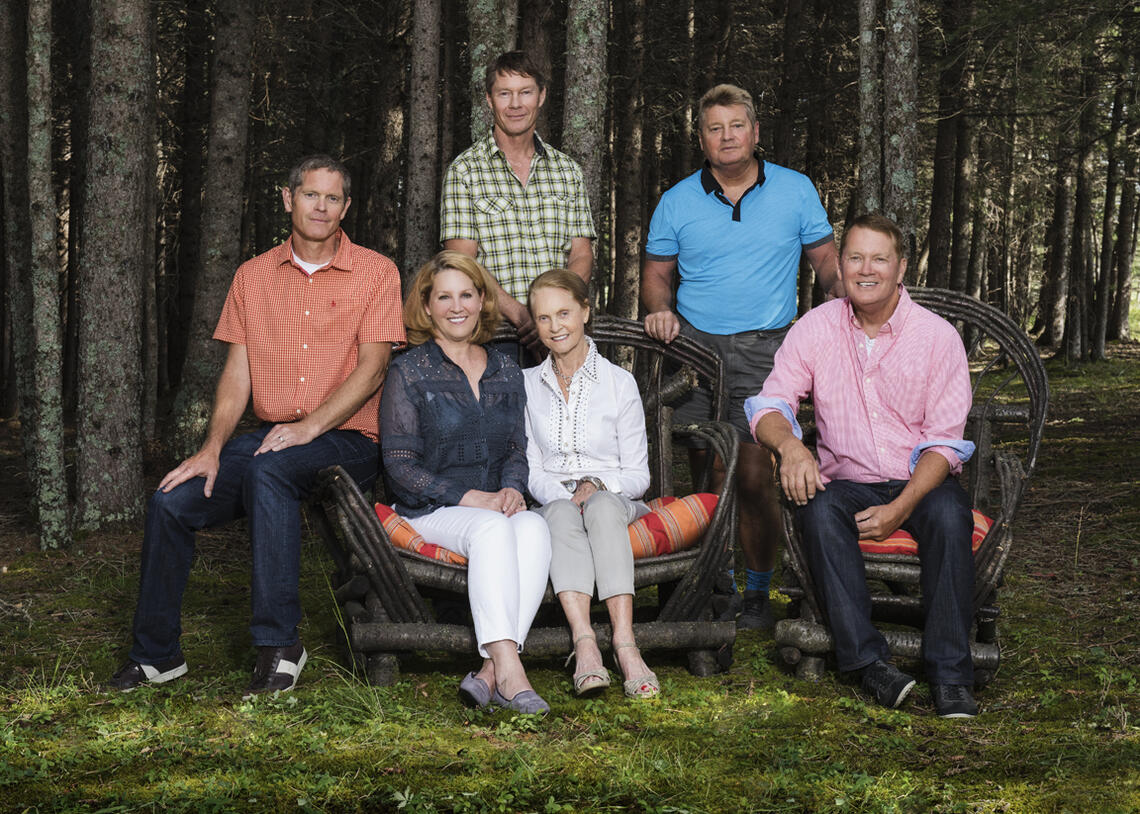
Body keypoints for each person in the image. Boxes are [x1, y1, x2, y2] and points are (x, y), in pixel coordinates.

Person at [108, 155, 405, 697]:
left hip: (349, 438)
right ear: (289, 199)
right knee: (171, 500)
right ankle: (156, 656)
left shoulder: (377, 271)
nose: (321, 206)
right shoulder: (252, 276)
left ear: (346, 207)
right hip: (274, 436)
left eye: (333, 198)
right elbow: (236, 375)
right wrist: (212, 448)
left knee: (270, 468)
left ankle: (279, 644)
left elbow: (374, 368)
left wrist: (311, 427)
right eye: (311, 195)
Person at [747, 213, 979, 718]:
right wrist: (790, 446)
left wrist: (901, 507)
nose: (866, 269)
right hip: (847, 481)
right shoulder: (816, 328)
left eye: (879, 258)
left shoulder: (937, 338)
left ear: (901, 268)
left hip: (922, 480)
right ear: (840, 265)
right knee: (817, 509)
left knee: (947, 516)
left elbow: (944, 443)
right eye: (855, 257)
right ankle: (868, 664)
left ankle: (951, 674)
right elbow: (768, 405)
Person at [641, 83, 842, 631]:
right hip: (693, 350)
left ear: (754, 132)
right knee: (697, 467)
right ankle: (710, 580)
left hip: (765, 348)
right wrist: (659, 310)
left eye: (736, 126)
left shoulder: (796, 191)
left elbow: (826, 263)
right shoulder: (677, 199)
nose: (727, 137)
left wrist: (846, 303)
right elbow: (657, 276)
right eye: (714, 127)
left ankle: (757, 590)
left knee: (753, 472)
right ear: (701, 139)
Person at [380, 251, 553, 714]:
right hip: (431, 510)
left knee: (535, 527)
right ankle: (512, 672)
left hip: (497, 503)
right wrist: (472, 497)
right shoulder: (409, 371)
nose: (457, 307)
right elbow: (400, 467)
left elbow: (518, 447)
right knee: (493, 528)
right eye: (444, 297)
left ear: (481, 301)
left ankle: (490, 671)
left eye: (467, 295)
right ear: (427, 305)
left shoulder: (505, 368)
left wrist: (514, 489)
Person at [523, 270, 660, 699]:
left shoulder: (619, 383)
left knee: (599, 506)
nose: (555, 326)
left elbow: (640, 475)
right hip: (555, 501)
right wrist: (565, 496)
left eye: (564, 313)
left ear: (585, 310)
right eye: (543, 318)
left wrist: (597, 483)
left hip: (615, 498)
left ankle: (624, 643)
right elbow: (530, 470)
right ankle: (585, 644)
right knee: (563, 512)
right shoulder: (526, 386)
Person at [440, 50, 596, 362]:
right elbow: (461, 262)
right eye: (504, 94)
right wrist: (522, 315)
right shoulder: (465, 171)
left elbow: (581, 252)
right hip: (494, 337)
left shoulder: (567, 170)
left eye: (525, 92)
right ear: (489, 99)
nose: (515, 104)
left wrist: (555, 312)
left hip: (562, 333)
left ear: (541, 96)